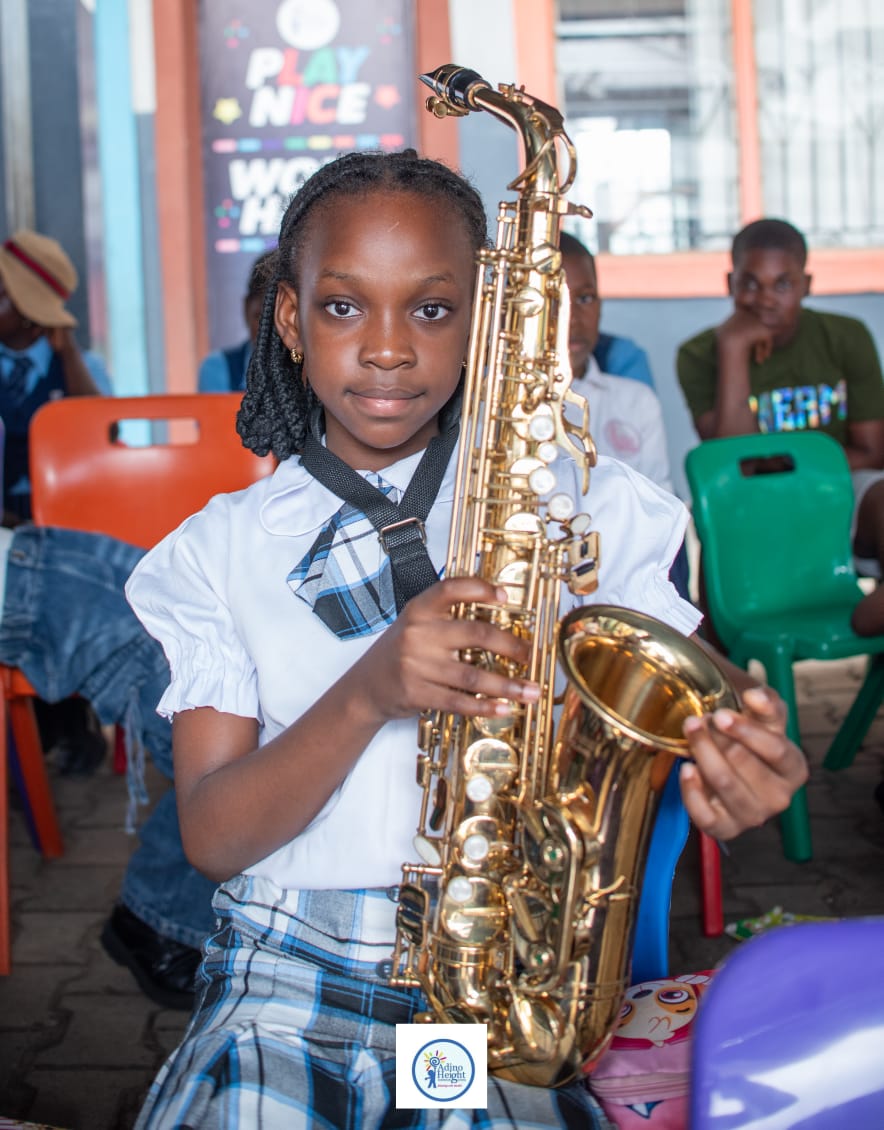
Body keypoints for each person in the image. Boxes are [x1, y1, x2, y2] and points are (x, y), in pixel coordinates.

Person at [124, 149, 806, 1129]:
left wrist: (739, 756)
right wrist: (366, 692)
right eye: (343, 306)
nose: (389, 348)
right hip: (285, 977)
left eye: (432, 309)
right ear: (288, 317)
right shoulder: (215, 553)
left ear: (484, 320)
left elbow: (698, 699)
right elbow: (214, 835)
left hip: (495, 978)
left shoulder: (581, 506)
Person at [0, 523, 216, 1009]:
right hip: (33, 571)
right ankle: (155, 914)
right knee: (218, 729)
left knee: (220, 685)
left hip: (34, 562)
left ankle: (158, 912)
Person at [677, 217, 884, 635]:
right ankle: (728, 667)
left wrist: (774, 464)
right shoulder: (699, 354)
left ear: (806, 284)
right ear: (729, 283)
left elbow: (873, 452)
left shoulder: (845, 337)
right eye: (750, 284)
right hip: (750, 507)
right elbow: (730, 467)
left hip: (841, 492)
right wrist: (734, 350)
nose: (764, 300)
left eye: (783, 284)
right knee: (715, 519)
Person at [0, 230, 112, 524]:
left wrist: (68, 354)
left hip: (65, 527)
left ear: (29, 314)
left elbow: (106, 435)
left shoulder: (84, 367)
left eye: (3, 294)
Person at [562, 232, 671, 490]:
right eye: (556, 301)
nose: (573, 318)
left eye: (585, 298)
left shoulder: (637, 402)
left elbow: (659, 507)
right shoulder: (486, 400)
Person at [197, 250, 274, 393]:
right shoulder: (218, 369)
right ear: (246, 309)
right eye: (261, 317)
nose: (271, 331)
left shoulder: (318, 373)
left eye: (280, 320)